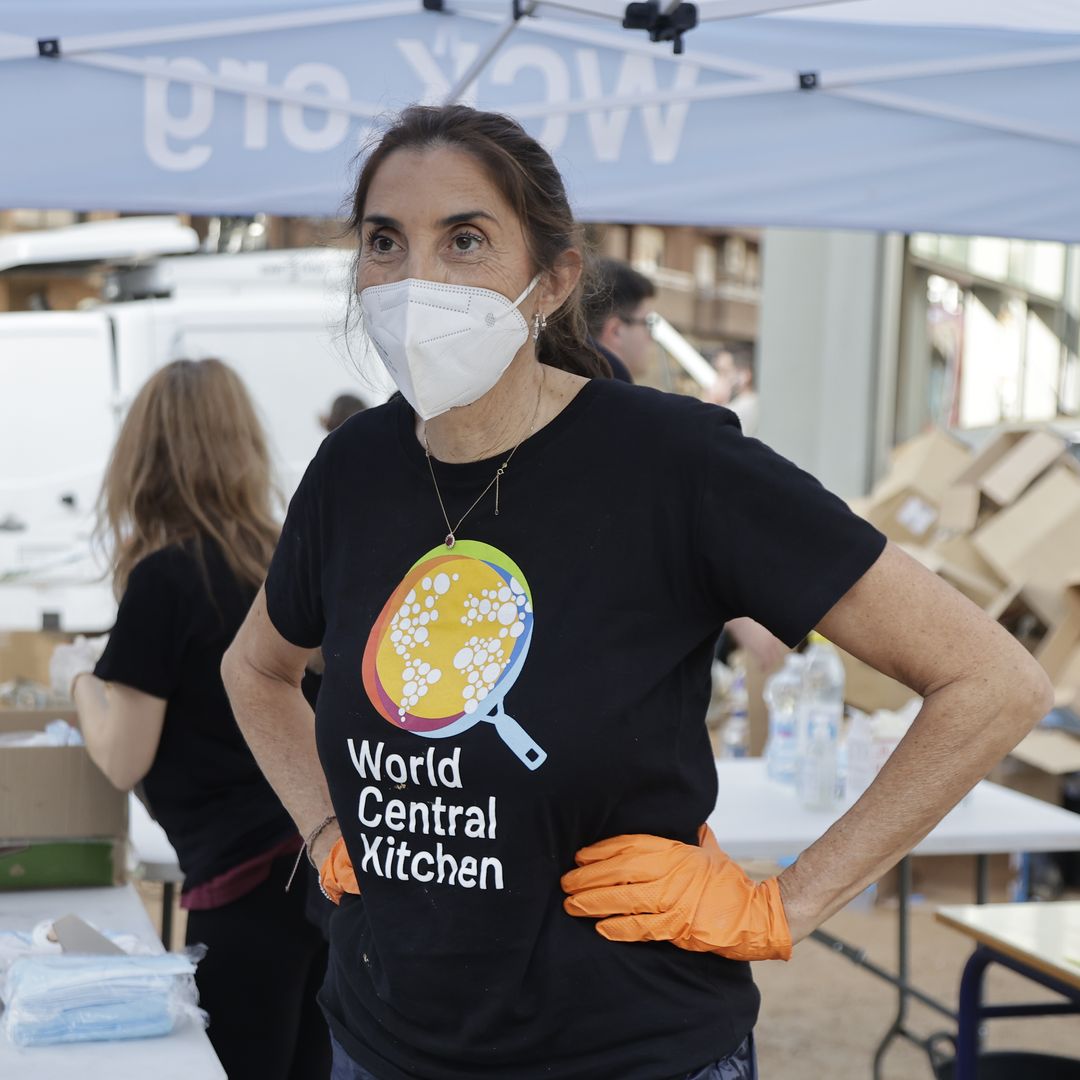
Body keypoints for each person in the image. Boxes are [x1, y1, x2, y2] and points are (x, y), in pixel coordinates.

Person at [221, 105, 1051, 1080]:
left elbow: (993, 682)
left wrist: (788, 902)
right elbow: (256, 671)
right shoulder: (354, 471)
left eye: (466, 239)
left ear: (554, 278)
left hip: (630, 1051)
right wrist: (324, 825)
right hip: (381, 1042)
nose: (416, 281)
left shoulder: (675, 464)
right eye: (384, 242)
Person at [51, 358, 331, 1080]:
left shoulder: (165, 577)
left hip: (242, 886)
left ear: (142, 459)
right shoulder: (279, 556)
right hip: (318, 869)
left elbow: (122, 757)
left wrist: (77, 679)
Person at [582, 256, 657, 382]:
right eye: (647, 324)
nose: (651, 337)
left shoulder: (559, 383)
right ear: (615, 331)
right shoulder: (619, 399)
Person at [707, 346, 759, 437]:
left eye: (724, 372)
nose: (718, 379)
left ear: (745, 375)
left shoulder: (741, 409)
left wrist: (712, 406)